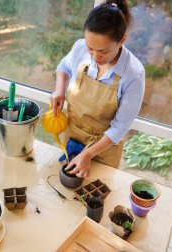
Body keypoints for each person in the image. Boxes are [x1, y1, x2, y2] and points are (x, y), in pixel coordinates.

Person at [50, 0, 145, 178]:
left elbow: (120, 127)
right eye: (90, 48)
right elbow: (64, 66)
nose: (95, 57)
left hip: (104, 149)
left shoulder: (133, 75)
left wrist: (88, 154)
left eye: (103, 52)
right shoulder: (80, 48)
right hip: (72, 136)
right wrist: (59, 89)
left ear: (123, 39)